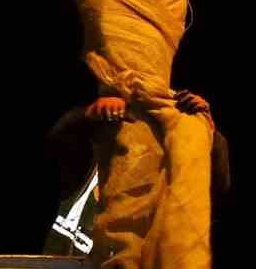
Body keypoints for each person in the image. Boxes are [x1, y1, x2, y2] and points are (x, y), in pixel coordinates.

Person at [43, 90, 230, 257]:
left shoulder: (164, 197)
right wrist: (88, 114)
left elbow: (212, 191)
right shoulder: (88, 174)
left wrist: (209, 135)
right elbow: (57, 142)